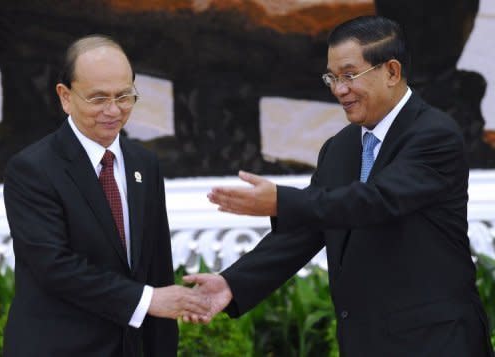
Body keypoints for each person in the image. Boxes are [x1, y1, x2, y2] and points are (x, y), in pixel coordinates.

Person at [185, 16, 495, 356]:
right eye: (332, 77)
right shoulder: (340, 147)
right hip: (364, 342)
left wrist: (281, 201)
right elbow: (308, 229)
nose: (338, 89)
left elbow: (376, 201)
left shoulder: (435, 134)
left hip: (435, 342)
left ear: (391, 71)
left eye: (349, 75)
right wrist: (233, 283)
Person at [2, 35, 209, 357]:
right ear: (66, 96)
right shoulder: (32, 169)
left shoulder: (144, 164)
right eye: (98, 99)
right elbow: (55, 268)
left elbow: (156, 267)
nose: (113, 111)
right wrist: (146, 300)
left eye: (124, 96)